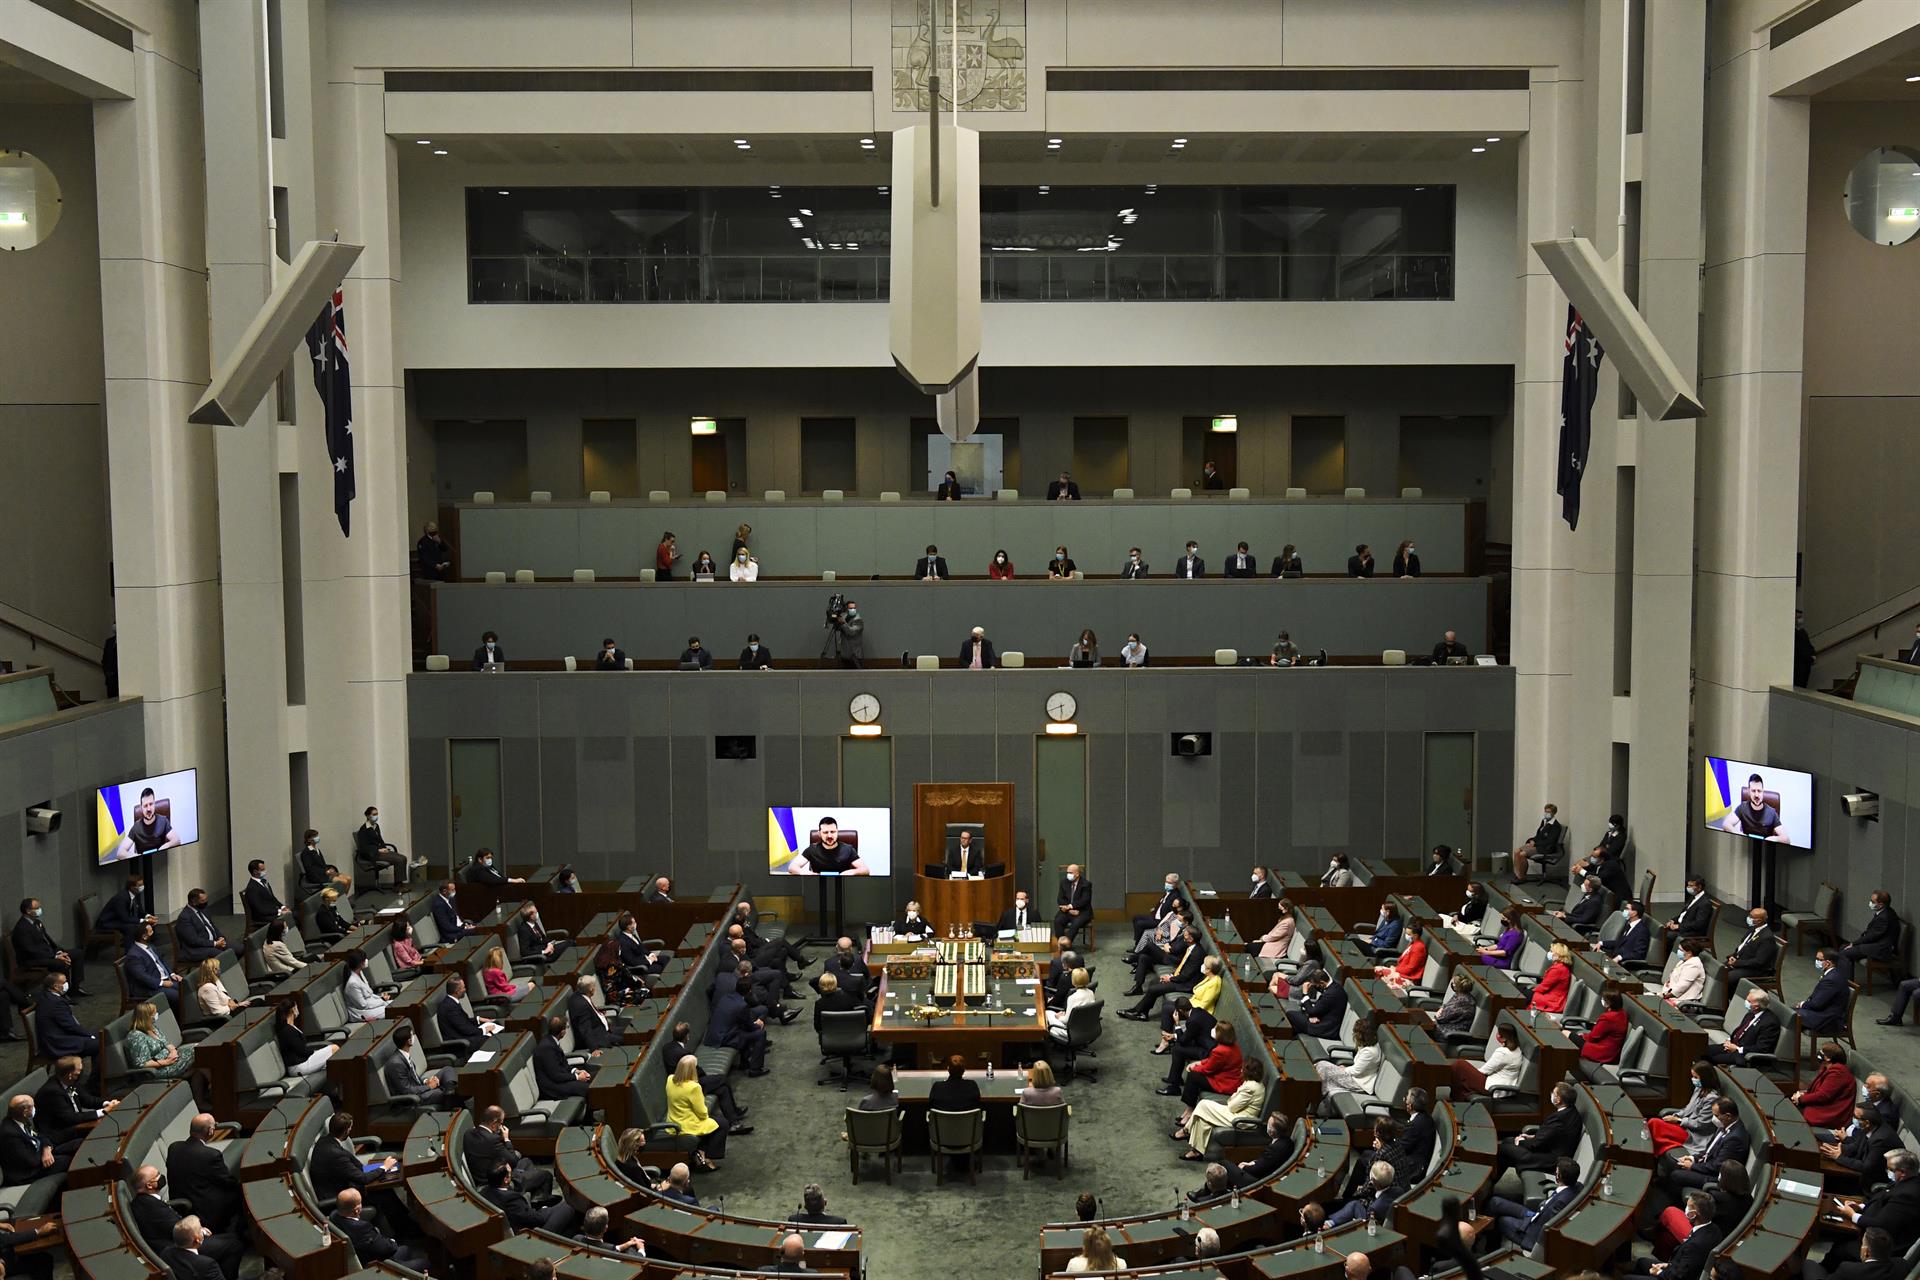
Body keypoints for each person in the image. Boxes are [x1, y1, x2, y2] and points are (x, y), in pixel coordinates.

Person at [1484, 1157, 1582, 1249]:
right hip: (1535, 1216)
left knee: (1501, 1220)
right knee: (1495, 1202)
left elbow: (1548, 1231)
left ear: (1558, 1176)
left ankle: (1491, 1246)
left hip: (1531, 1234)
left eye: (1556, 1172)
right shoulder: (1578, 1186)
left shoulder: (1560, 1203)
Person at [332, 1187, 428, 1271]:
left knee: (407, 1249)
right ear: (356, 1210)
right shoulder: (361, 1228)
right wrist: (392, 1241)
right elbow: (386, 1249)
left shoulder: (334, 1216)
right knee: (425, 1263)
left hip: (365, 1254)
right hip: (377, 1265)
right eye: (360, 1203)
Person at [1498, 1082, 1580, 1177]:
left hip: (1549, 1159)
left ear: (1558, 1100)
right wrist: (1532, 1136)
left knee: (1503, 1149)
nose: (1551, 1095)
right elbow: (1554, 1135)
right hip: (1550, 1148)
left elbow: (1536, 1145)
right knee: (1507, 1141)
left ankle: (1490, 1183)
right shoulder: (1570, 1112)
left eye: (1553, 1093)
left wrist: (1520, 1142)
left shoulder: (1559, 1119)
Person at [483, 1157, 581, 1234]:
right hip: (533, 1232)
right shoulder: (512, 1201)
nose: (512, 1172)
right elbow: (536, 1219)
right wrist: (544, 1209)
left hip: (520, 1216)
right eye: (510, 1172)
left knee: (526, 1163)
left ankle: (538, 1201)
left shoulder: (483, 1191)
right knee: (569, 1204)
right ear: (506, 1180)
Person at [12, 899, 86, 994]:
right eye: (37, 908)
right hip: (32, 960)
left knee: (78, 953)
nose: (40, 910)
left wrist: (58, 952)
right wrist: (55, 956)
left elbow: (47, 941)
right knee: (61, 963)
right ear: (28, 911)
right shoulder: (22, 928)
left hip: (46, 954)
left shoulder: (37, 922)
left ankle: (75, 987)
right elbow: (31, 950)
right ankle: (62, 992)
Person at [708, 975, 769, 1076]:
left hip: (714, 1034)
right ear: (749, 991)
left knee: (743, 1031)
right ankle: (755, 1069)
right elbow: (750, 1027)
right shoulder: (742, 1005)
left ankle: (744, 1063)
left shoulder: (726, 997)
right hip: (724, 1038)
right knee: (760, 1034)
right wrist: (759, 1024)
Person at [385, 1024, 457, 1106]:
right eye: (412, 1035)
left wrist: (426, 1081)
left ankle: (449, 1091)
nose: (414, 1037)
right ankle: (450, 1094)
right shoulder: (396, 1064)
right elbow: (406, 1090)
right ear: (409, 1041)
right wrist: (429, 1086)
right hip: (415, 1097)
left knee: (447, 1069)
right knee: (444, 1092)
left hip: (419, 1087)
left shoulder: (402, 1054)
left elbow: (413, 1077)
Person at [1794, 1042, 1858, 1128]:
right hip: (1825, 1106)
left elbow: (1823, 1095)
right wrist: (1802, 1095)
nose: (1819, 1053)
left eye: (1822, 1052)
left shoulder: (1838, 1073)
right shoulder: (1828, 1069)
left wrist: (1801, 1099)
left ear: (1828, 1058)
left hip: (1831, 1115)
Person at [1313, 1020, 1380, 1101]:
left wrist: (1344, 1069)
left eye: (1355, 1033)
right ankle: (1315, 1095)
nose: (1353, 1035)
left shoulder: (1369, 1052)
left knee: (1322, 1066)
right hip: (1354, 1076)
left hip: (1358, 1083)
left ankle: (1315, 1097)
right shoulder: (1368, 1044)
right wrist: (1345, 1068)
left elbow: (1356, 1071)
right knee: (1322, 1067)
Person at [1450, 1022, 1523, 1096]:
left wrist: (1472, 1073)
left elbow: (1484, 1071)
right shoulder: (1518, 1050)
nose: (1497, 1035)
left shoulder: (1502, 1053)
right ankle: (1460, 1096)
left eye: (1499, 1034)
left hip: (1491, 1087)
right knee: (1461, 1073)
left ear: (1504, 1038)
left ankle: (1455, 1096)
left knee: (1459, 1064)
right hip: (1502, 1084)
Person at [436, 973, 501, 1056]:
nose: (465, 990)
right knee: (492, 1038)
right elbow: (464, 1028)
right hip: (460, 1043)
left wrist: (479, 1019)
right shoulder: (449, 1007)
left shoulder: (451, 1002)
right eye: (463, 988)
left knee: (496, 1024)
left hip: (465, 1034)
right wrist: (484, 1030)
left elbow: (462, 1021)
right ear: (457, 991)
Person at [126, 1002, 195, 1079]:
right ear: (146, 1016)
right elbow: (141, 1063)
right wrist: (165, 1062)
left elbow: (167, 1043)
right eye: (154, 1013)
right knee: (198, 1054)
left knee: (199, 1053)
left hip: (172, 1059)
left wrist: (173, 1052)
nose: (156, 1015)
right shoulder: (136, 1036)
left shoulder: (153, 1028)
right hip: (160, 1069)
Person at [272, 999, 336, 1076]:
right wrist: (314, 1052)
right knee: (334, 1048)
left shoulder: (290, 1027)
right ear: (293, 1010)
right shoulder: (287, 1031)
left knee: (329, 1060)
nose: (297, 1010)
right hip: (298, 1066)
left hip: (302, 1061)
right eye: (296, 1007)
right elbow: (302, 1051)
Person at [357, 805, 417, 884]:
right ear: (368, 816)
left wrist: (385, 849)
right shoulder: (363, 830)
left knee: (403, 858)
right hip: (372, 854)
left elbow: (380, 840)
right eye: (374, 814)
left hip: (380, 851)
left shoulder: (375, 826)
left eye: (377, 814)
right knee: (399, 860)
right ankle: (398, 886)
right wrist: (379, 850)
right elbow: (363, 847)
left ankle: (399, 883)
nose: (376, 816)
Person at [1720, 771, 1787, 841]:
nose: (1757, 795)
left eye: (1759, 791)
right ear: (1749, 791)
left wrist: (1770, 839)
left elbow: (1786, 839)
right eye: (1753, 791)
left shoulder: (1772, 813)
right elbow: (1726, 824)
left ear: (1763, 791)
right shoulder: (1742, 808)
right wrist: (1740, 835)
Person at [1798, 948, 1851, 1034]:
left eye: (1819, 959)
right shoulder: (1832, 974)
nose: (1816, 961)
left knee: (1791, 1016)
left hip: (1829, 1020)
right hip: (1824, 1012)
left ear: (1828, 963)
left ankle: (1792, 1046)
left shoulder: (1831, 980)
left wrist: (1802, 1004)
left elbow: (1817, 1004)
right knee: (1790, 1013)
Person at [791, 815, 868, 875]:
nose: (829, 836)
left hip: (842, 885)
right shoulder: (812, 849)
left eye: (833, 832)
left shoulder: (848, 849)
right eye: (825, 832)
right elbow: (792, 867)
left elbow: (865, 870)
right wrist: (805, 873)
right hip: (818, 886)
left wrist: (852, 872)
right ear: (819, 834)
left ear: (837, 832)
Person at [1844, 891, 1901, 966]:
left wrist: (1854, 943)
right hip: (1877, 943)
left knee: (1845, 953)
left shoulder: (1884, 918)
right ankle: (1846, 977)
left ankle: (1844, 977)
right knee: (1844, 948)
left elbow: (1872, 936)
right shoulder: (1886, 911)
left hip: (1881, 949)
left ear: (1880, 905)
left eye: (1872, 901)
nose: (1870, 903)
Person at [1511, 802, 1564, 879]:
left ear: (1554, 813)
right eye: (1546, 811)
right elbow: (1539, 836)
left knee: (1522, 854)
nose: (1546, 813)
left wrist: (1535, 844)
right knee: (1516, 851)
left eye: (1549, 812)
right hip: (1538, 845)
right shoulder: (1544, 822)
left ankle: (1521, 877)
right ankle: (1517, 874)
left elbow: (1550, 841)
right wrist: (1532, 841)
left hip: (1546, 848)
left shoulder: (1555, 826)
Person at [1378, 922, 1429, 994]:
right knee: (1377, 970)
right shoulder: (1413, 943)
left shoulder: (1419, 947)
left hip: (1408, 979)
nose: (1406, 936)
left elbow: (1410, 968)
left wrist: (1395, 969)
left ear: (1416, 935)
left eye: (1408, 934)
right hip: (1401, 973)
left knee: (1379, 974)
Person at [1046, 970, 1094, 1042]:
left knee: (1047, 1013)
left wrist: (1059, 1016)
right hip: (1086, 1028)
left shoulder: (1072, 997)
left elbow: (1066, 1021)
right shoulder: (1091, 993)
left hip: (1070, 1032)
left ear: (1073, 981)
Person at [1526, 941, 1573, 1014]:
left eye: (1551, 951)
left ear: (1558, 954)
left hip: (1552, 1001)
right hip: (1551, 996)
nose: (1549, 953)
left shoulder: (1558, 969)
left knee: (1525, 994)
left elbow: (1543, 987)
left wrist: (1533, 990)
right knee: (1526, 992)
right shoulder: (1560, 967)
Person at [1662, 937, 1710, 1006]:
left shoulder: (1694, 965)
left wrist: (1664, 996)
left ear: (1689, 953)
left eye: (1681, 950)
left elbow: (1682, 986)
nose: (1678, 951)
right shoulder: (1684, 961)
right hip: (1671, 996)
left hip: (1683, 1003)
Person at [1054, 863, 1092, 946]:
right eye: (1067, 872)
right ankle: (1060, 943)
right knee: (1058, 920)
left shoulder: (1086, 884)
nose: (1068, 875)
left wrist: (1071, 906)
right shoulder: (1064, 882)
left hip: (1082, 911)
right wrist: (1069, 909)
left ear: (1077, 874)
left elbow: (1085, 900)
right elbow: (1060, 899)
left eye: (1071, 873)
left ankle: (1067, 943)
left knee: (1076, 923)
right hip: (1067, 911)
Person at [1433, 971, 1477, 1040]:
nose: (1452, 984)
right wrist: (1441, 1008)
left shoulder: (1463, 1001)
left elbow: (1441, 1018)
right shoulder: (1459, 994)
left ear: (1456, 986)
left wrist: (1437, 1015)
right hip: (1447, 1024)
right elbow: (1446, 1006)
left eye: (1453, 983)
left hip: (1451, 1031)